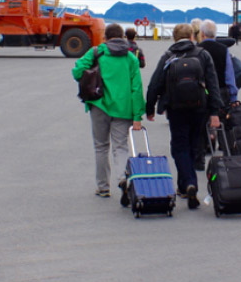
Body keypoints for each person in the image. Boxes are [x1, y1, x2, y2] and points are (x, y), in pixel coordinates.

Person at [145, 23, 223, 209]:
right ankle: (184, 186)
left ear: (174, 37)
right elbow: (213, 85)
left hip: (176, 108)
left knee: (179, 147)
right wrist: (214, 112)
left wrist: (150, 108)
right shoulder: (203, 55)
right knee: (194, 144)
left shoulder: (168, 56)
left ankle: (189, 183)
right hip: (199, 109)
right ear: (192, 37)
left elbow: (155, 84)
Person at [72, 23, 144, 203]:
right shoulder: (130, 58)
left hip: (99, 105)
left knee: (101, 146)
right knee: (120, 147)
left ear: (105, 37)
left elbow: (77, 71)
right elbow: (137, 89)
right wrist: (137, 116)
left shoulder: (97, 52)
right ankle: (122, 177)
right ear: (123, 37)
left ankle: (103, 187)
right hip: (123, 108)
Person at [195, 19, 240, 169]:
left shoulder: (197, 49)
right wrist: (233, 96)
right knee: (223, 124)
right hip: (221, 91)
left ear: (201, 34)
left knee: (201, 125)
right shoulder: (223, 49)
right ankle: (227, 157)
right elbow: (229, 75)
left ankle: (200, 160)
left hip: (202, 92)